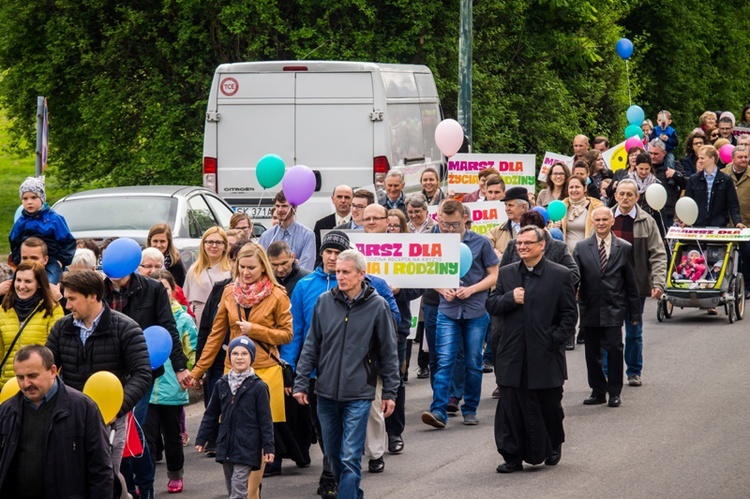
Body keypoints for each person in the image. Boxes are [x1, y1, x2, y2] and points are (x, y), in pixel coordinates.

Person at [283, 230, 400, 496]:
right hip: (325, 393)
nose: (341, 276)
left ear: (361, 275)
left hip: (359, 393)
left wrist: (390, 391)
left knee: (349, 456)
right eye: (338, 272)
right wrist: (301, 382)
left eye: (347, 272)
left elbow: (389, 353)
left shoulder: (378, 306)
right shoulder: (324, 303)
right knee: (333, 458)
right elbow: (310, 345)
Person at [191, 242, 292, 481]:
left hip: (265, 371)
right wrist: (197, 371)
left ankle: (250, 491)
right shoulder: (229, 292)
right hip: (233, 370)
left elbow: (287, 334)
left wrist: (254, 330)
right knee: (234, 430)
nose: (245, 273)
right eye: (241, 267)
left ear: (263, 268)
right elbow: (216, 335)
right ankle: (242, 489)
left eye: (251, 268)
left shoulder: (277, 294)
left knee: (259, 434)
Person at [487, 226, 577, 472]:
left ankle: (553, 444)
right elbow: (492, 305)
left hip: (545, 354)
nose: (522, 247)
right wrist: (509, 298)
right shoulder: (506, 274)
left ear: (542, 246)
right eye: (519, 244)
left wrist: (553, 339)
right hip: (512, 352)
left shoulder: (560, 275)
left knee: (548, 404)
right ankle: (512, 456)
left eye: (528, 243)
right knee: (510, 408)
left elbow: (569, 314)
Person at [46, 270, 152, 474]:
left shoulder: (126, 328)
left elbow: (142, 374)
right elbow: (47, 368)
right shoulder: (62, 327)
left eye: (72, 299)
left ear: (93, 296)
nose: (67, 306)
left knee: (105, 479)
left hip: (108, 421)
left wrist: (116, 409)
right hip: (69, 417)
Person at [422, 200, 499, 429]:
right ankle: (438, 410)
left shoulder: (480, 242)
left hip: (475, 310)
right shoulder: (434, 242)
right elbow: (424, 272)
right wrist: (441, 288)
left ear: (464, 218)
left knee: (474, 361)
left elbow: (494, 274)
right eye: (444, 224)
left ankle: (470, 409)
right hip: (447, 310)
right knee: (444, 360)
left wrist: (473, 289)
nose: (449, 229)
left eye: (454, 224)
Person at [0, 344, 114, 498]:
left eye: (32, 376)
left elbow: (101, 469)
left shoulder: (83, 409)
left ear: (53, 371)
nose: (26, 384)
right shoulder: (7, 411)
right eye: (20, 377)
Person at [574, 207, 641, 408]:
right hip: (590, 307)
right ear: (592, 222)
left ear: (612, 221)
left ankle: (614, 392)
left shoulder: (625, 247)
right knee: (592, 352)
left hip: (614, 307)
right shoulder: (581, 247)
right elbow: (576, 281)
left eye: (605, 219)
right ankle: (598, 391)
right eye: (598, 220)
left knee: (613, 350)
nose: (601, 223)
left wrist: (634, 312)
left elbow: (631, 282)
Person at [196, 336, 275, 499]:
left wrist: (268, 447)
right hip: (226, 444)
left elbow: (266, 419)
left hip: (248, 446)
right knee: (231, 486)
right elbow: (211, 413)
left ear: (252, 357)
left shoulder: (258, 386)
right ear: (229, 357)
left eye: (244, 354)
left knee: (239, 486)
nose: (239, 357)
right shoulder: (222, 384)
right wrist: (202, 438)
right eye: (235, 353)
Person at [610, 179, 667, 386]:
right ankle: (608, 373)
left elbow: (658, 254)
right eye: (621, 194)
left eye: (629, 194)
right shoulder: (605, 219)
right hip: (608, 287)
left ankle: (634, 371)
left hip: (634, 286)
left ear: (637, 198)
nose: (625, 198)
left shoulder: (646, 222)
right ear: (615, 196)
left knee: (634, 331)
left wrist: (658, 283)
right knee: (609, 332)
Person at [145, 270, 197, 494]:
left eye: (164, 288)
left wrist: (192, 373)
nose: (159, 293)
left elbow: (192, 349)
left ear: (173, 290)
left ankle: (176, 474)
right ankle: (145, 479)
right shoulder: (145, 316)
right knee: (146, 436)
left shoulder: (183, 319)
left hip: (171, 386)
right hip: (146, 386)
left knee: (172, 436)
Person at [0, 261, 64, 388]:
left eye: (28, 281)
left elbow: (57, 352)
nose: (21, 286)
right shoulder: (3, 309)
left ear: (39, 284)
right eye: (18, 280)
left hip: (39, 386)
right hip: (7, 386)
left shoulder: (53, 310)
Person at [9, 177, 76, 285]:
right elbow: (14, 242)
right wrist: (18, 260)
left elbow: (68, 242)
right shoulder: (21, 222)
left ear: (42, 198)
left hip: (50, 261)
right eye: (25, 198)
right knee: (11, 284)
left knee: (49, 284)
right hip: (26, 261)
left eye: (34, 197)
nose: (29, 202)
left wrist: (60, 262)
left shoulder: (54, 219)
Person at [184, 227, 232, 329]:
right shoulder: (194, 270)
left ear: (225, 246)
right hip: (197, 322)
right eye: (210, 242)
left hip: (220, 321)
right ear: (203, 245)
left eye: (219, 242)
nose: (214, 246)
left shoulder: (230, 272)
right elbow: (185, 301)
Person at [685, 145, 744, 229]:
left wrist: (737, 222)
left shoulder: (726, 179)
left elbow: (732, 204)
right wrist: (686, 219)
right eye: (699, 158)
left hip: (719, 225)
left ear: (712, 159)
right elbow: (688, 201)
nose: (699, 161)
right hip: (698, 225)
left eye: (702, 158)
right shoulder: (693, 179)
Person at [259, 191, 316, 270]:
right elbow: (262, 266)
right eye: (277, 206)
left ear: (294, 208)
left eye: (284, 206)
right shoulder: (266, 236)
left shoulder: (307, 235)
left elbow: (306, 268)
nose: (280, 210)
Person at [722, 146, 750, 289]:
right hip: (726, 226)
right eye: (740, 157)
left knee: (747, 256)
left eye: (746, 157)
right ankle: (727, 286)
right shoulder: (722, 175)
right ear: (732, 158)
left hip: (747, 226)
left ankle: (746, 287)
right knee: (726, 257)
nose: (744, 160)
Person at [559, 176, 603, 255]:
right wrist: (555, 226)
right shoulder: (561, 206)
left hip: (587, 255)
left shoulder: (596, 207)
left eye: (577, 187)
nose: (574, 190)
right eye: (571, 187)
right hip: (565, 256)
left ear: (585, 188)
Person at [650, 138, 687, 229]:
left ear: (664, 153)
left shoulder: (674, 165)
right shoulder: (645, 167)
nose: (652, 157)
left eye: (656, 154)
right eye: (650, 153)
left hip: (668, 212)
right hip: (648, 211)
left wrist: (675, 175)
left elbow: (687, 183)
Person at [313, 185, 354, 264]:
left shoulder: (359, 224)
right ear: (333, 199)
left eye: (347, 197)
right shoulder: (321, 224)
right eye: (339, 197)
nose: (343, 200)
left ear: (353, 200)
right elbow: (316, 254)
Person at [487, 187, 530, 259]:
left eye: (510, 205)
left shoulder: (537, 228)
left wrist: (502, 257)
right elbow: (485, 248)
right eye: (505, 205)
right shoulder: (495, 232)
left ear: (523, 207)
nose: (507, 209)